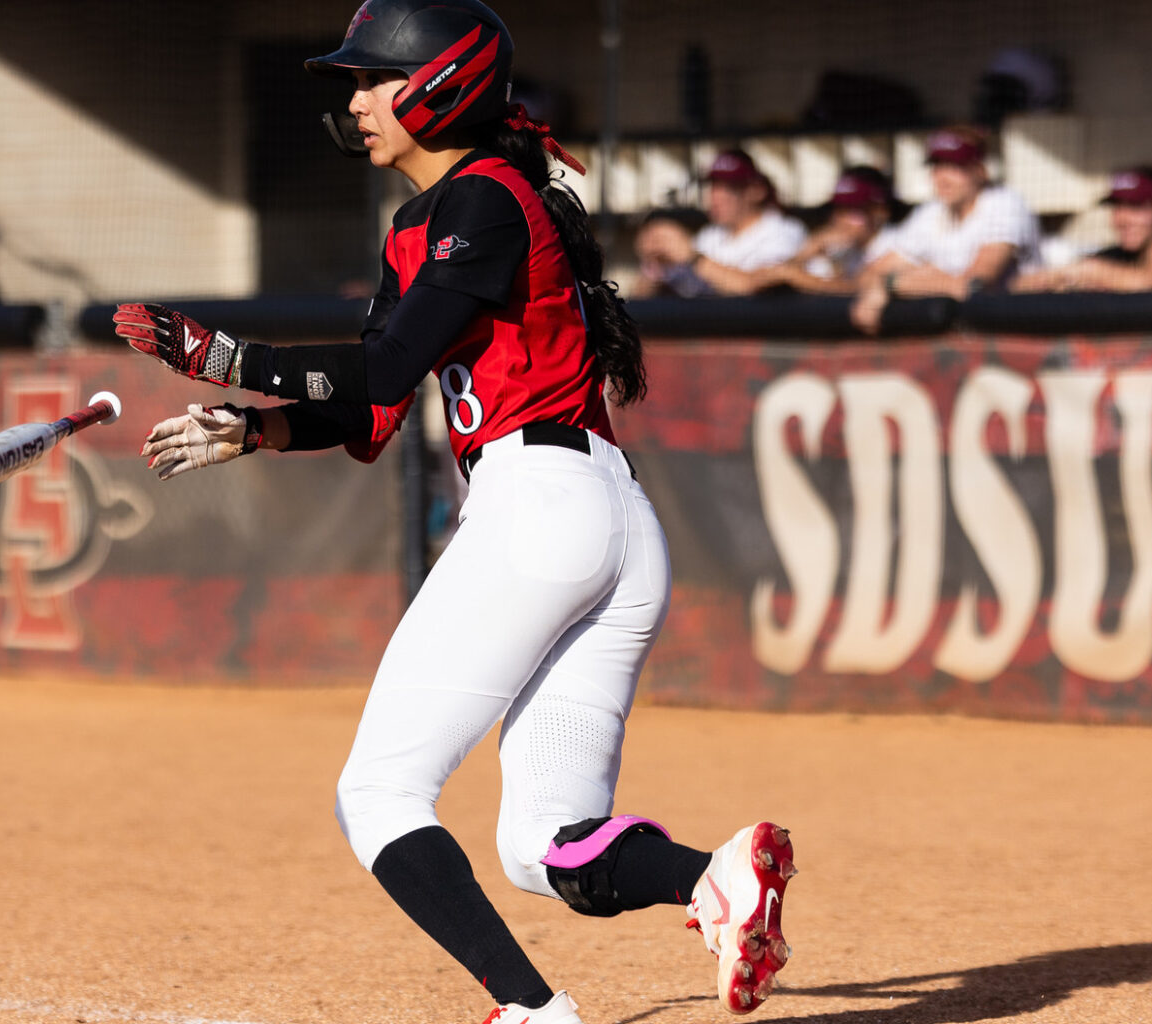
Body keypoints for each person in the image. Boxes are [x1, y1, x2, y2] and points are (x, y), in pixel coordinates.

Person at [114, 3, 794, 1021]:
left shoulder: (484, 199)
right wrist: (254, 427)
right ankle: (715, 877)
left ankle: (529, 1011)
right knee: (541, 847)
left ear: (439, 87)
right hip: (598, 519)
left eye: (371, 79)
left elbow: (386, 363)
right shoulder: (428, 223)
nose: (354, 100)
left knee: (379, 793)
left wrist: (220, 355)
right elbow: (374, 406)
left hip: (540, 508)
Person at [852, 126, 1040, 333]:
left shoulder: (1004, 203)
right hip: (960, 337)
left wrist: (893, 283)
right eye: (937, 166)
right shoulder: (930, 212)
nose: (942, 177)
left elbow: (973, 286)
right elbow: (868, 275)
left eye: (955, 167)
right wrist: (888, 282)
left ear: (980, 170)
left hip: (1018, 331)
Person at [1015, 166, 1152, 292]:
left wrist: (1089, 273)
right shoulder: (1117, 256)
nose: (1122, 219)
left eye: (1135, 207)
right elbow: (1021, 285)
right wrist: (1062, 281)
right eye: (1116, 207)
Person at [680, 149, 807, 296]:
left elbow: (754, 284)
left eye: (730, 188)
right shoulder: (709, 235)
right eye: (714, 186)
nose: (716, 197)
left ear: (757, 190)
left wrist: (692, 258)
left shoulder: (785, 230)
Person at [765, 166, 903, 295]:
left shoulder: (897, 244)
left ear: (880, 211)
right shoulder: (841, 248)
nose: (841, 220)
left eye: (852, 210)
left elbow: (863, 288)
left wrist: (798, 278)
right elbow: (777, 276)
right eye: (838, 209)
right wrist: (806, 253)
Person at [626, 209, 709, 298]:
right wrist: (654, 267)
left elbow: (724, 285)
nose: (657, 244)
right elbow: (637, 299)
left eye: (662, 237)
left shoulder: (707, 247)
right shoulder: (654, 269)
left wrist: (691, 256)